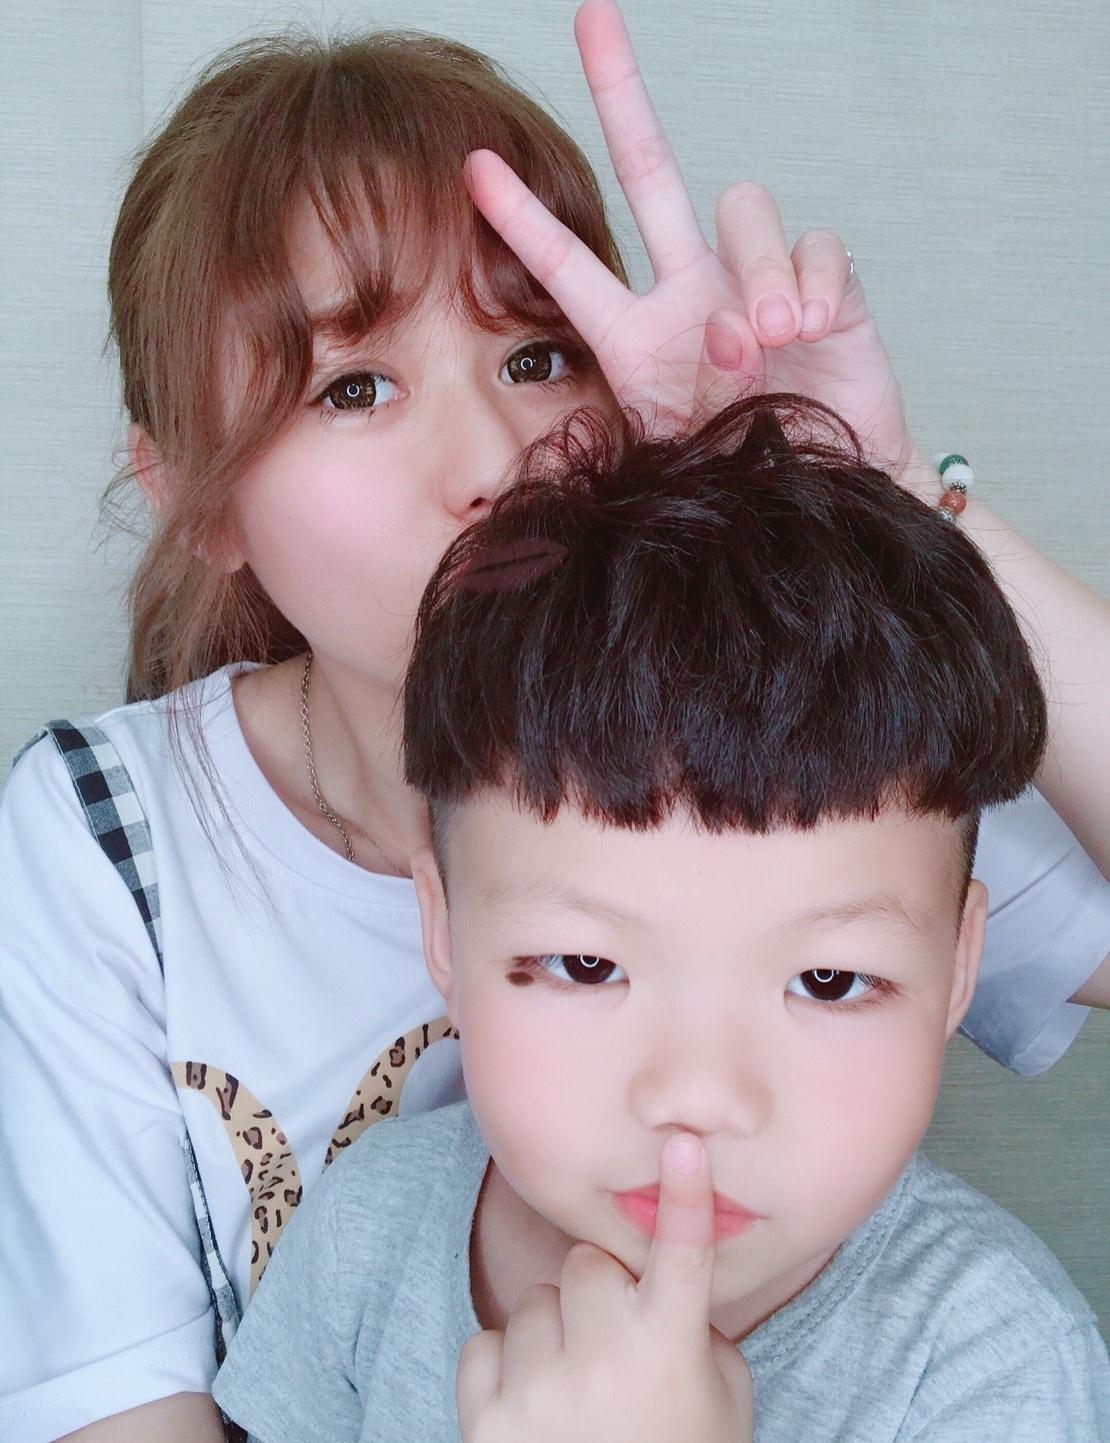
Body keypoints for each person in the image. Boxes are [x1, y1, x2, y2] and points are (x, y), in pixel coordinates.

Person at [0, 3, 1107, 1440]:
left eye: (536, 358)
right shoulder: (106, 842)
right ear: (192, 499)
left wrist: (878, 495)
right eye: (354, 386)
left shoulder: (777, 742)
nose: (494, 462)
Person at [213, 395, 1110, 1442]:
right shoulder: (368, 1227)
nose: (699, 1096)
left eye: (827, 980)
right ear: (444, 932)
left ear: (959, 966)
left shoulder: (995, 1364)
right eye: (586, 966)